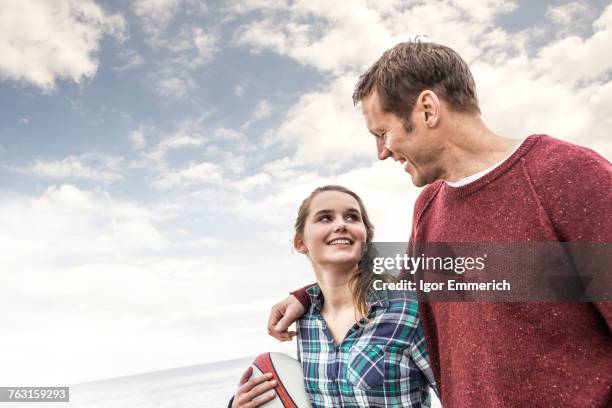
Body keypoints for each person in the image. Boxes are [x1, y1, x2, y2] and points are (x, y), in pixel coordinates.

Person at [267, 41, 612, 406]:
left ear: (428, 110)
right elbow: (391, 295)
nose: (381, 152)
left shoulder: (568, 175)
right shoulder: (429, 208)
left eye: (382, 133)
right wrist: (308, 296)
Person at [231, 185, 436, 407]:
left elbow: (458, 394)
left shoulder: (407, 308)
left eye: (352, 217)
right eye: (325, 218)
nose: (341, 224)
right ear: (300, 243)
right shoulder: (305, 320)